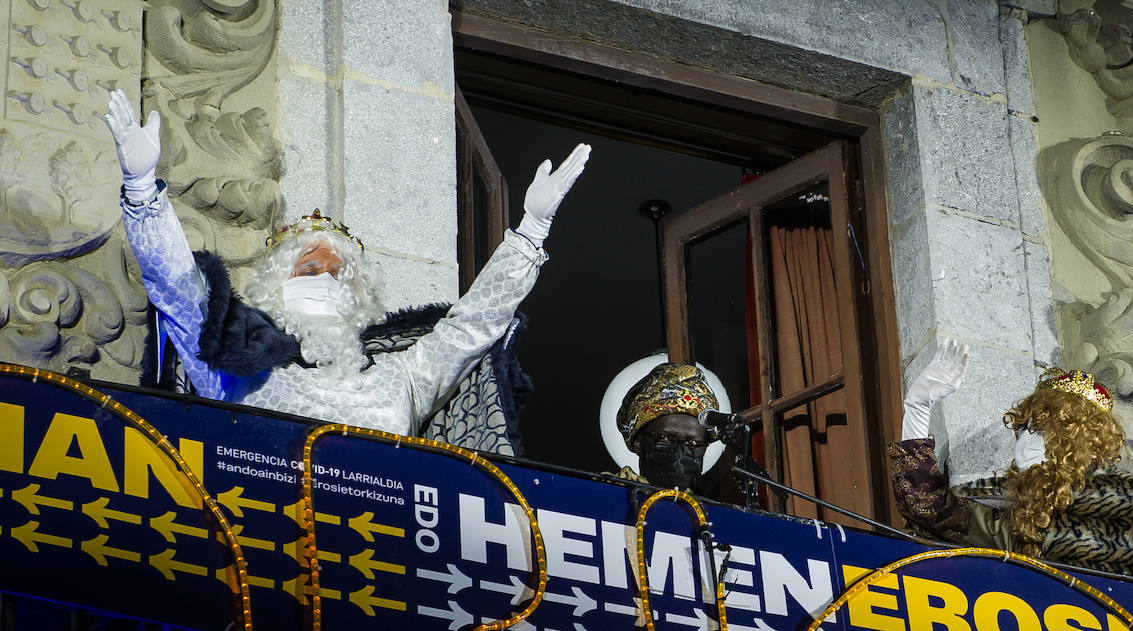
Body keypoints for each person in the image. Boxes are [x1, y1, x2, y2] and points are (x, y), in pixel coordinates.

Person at [103, 89, 590, 436]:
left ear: (358, 297)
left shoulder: (403, 379)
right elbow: (180, 291)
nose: (326, 280)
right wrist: (143, 191)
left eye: (339, 274)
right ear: (276, 289)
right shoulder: (239, 367)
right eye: (310, 271)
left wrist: (530, 232)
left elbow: (471, 328)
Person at [890, 338, 1133, 593]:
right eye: (1025, 429)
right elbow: (931, 509)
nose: (1027, 442)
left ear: (1082, 445)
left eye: (1045, 431)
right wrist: (918, 407)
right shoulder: (1014, 516)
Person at [613, 362, 717, 490]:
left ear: (705, 448)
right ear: (639, 444)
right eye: (665, 438)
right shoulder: (609, 496)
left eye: (692, 443)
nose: (679, 455)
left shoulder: (710, 509)